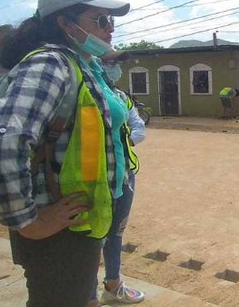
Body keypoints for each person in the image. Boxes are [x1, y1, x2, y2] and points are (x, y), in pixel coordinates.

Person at [0, 0, 132, 307]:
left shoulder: (80, 64)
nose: (110, 29)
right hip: (58, 235)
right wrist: (29, 220)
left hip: (77, 225)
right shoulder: (51, 64)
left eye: (111, 21)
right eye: (100, 20)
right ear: (65, 23)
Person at [89, 57, 147, 306]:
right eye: (108, 61)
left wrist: (124, 142)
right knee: (92, 236)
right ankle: (87, 294)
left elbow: (139, 127)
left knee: (116, 233)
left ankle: (113, 284)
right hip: (95, 177)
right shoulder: (88, 93)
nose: (114, 66)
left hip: (124, 177)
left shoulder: (121, 97)